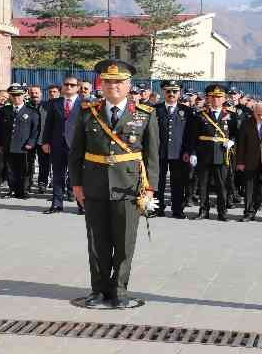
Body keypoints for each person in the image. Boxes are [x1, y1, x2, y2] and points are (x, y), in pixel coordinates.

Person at [69, 59, 159, 308]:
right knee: (97, 241)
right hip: (94, 185)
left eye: (118, 82)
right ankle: (98, 290)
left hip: (129, 187)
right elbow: (76, 151)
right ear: (101, 84)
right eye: (108, 82)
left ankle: (119, 289)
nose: (113, 86)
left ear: (128, 85)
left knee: (124, 240)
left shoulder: (145, 114)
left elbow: (152, 156)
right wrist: (76, 184)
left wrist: (149, 189)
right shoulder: (88, 112)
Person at [188, 84, 237, 221]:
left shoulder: (230, 116)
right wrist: (193, 153)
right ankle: (203, 211)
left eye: (219, 97)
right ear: (208, 98)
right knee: (203, 186)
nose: (216, 99)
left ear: (224, 98)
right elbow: (193, 136)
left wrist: (232, 141)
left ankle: (222, 212)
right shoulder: (200, 115)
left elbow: (235, 134)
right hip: (204, 154)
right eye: (212, 97)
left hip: (221, 155)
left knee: (222, 186)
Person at [42, 76, 85, 215]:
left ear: (78, 87)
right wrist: (46, 141)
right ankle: (56, 204)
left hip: (77, 145)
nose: (69, 87)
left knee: (78, 176)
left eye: (72, 85)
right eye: (66, 84)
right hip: (57, 144)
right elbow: (48, 124)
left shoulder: (85, 103)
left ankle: (82, 204)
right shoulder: (55, 103)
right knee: (58, 175)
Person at [153, 80, 192, 219]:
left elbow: (189, 133)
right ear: (163, 92)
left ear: (179, 93)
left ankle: (177, 210)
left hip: (179, 153)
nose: (171, 94)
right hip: (159, 152)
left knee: (177, 183)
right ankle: (157, 209)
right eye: (168, 91)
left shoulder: (186, 111)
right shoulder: (155, 109)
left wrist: (188, 151)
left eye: (174, 91)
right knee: (158, 182)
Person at [0, 84, 39, 199]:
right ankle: (12, 190)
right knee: (10, 169)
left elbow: (35, 130)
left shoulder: (31, 111)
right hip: (8, 144)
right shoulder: (5, 110)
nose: (16, 98)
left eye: (18, 95)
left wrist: (31, 143)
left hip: (24, 146)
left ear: (23, 95)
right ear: (10, 96)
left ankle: (23, 191)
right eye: (13, 95)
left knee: (24, 170)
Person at [27, 85, 50, 194]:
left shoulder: (47, 106)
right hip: (28, 141)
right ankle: (28, 183)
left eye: (36, 93)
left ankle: (42, 183)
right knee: (28, 163)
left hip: (43, 140)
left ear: (41, 94)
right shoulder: (26, 106)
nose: (34, 95)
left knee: (44, 163)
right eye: (32, 93)